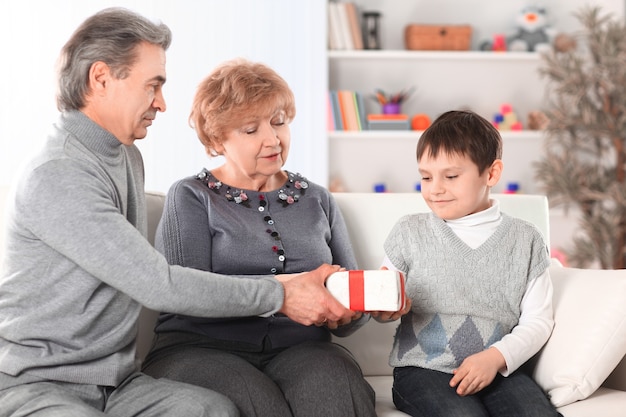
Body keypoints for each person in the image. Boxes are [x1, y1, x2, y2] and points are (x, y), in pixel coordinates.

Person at [0, 8, 355, 417]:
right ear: (101, 78)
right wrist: (282, 293)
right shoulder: (59, 172)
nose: (162, 103)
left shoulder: (124, 155)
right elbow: (157, 284)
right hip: (42, 385)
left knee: (212, 410)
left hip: (116, 384)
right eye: (153, 85)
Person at [141, 58, 377, 417]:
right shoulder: (191, 196)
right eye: (251, 130)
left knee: (337, 388)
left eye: (279, 122)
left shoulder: (317, 199)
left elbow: (350, 310)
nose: (273, 139)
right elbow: (183, 294)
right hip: (202, 349)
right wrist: (284, 292)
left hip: (302, 349)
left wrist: (359, 307)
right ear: (218, 138)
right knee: (258, 404)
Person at [380, 110, 562, 417]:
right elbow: (383, 297)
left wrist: (495, 358)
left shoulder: (525, 240)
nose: (434, 188)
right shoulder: (409, 232)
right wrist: (383, 310)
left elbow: (538, 321)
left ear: (491, 174)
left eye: (450, 176)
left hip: (499, 369)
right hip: (423, 371)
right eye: (425, 177)